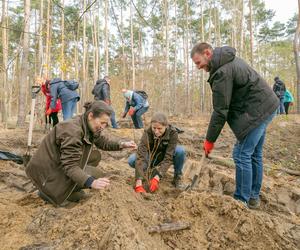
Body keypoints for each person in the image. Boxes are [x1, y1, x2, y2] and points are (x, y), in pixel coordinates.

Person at [190, 42, 279, 209]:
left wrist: (210, 140)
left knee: (241, 154)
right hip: (266, 106)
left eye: (198, 62)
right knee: (254, 154)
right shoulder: (227, 61)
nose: (198, 67)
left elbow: (220, 111)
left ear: (207, 53)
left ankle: (240, 201)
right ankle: (252, 197)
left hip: (257, 112)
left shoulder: (222, 72)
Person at [25, 101, 137, 206]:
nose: (103, 127)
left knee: (95, 160)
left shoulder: (87, 124)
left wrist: (122, 144)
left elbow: (102, 142)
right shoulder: (72, 131)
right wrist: (91, 182)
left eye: (105, 124)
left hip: (58, 165)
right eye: (102, 123)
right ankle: (49, 192)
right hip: (47, 175)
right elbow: (70, 166)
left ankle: (68, 188)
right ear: (91, 116)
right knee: (93, 179)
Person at [128, 112, 186, 192]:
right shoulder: (147, 132)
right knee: (132, 160)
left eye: (159, 129)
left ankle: (177, 178)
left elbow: (168, 157)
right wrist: (138, 181)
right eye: (154, 128)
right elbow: (141, 154)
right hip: (150, 156)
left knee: (180, 151)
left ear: (166, 126)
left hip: (163, 156)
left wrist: (157, 177)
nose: (156, 131)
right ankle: (147, 173)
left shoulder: (173, 133)